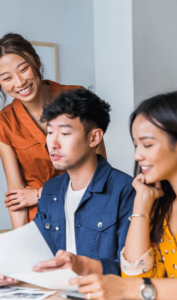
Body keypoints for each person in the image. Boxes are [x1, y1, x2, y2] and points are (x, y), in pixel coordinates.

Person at [0, 33, 107, 229]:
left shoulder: (77, 98)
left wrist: (38, 194)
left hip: (87, 211)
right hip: (41, 221)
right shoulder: (3, 123)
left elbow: (100, 171)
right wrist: (22, 241)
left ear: (36, 60)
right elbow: (17, 194)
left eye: (23, 69)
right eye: (7, 78)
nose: (19, 83)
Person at [68, 92, 177, 300]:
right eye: (136, 144)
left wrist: (129, 289)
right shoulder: (161, 204)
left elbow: (135, 288)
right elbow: (137, 276)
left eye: (147, 144)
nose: (137, 156)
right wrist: (141, 208)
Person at [31, 88, 135, 276]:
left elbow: (131, 268)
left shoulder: (126, 190)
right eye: (49, 132)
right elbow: (36, 253)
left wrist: (82, 266)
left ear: (94, 137)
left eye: (64, 134)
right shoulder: (51, 190)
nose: (52, 143)